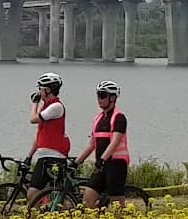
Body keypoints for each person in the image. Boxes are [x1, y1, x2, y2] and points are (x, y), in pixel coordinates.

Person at [74, 81, 129, 208]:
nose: (99, 99)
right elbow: (91, 145)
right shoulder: (98, 118)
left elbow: (115, 142)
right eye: (98, 95)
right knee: (88, 198)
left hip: (116, 164)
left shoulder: (119, 117)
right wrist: (76, 162)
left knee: (117, 205)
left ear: (113, 98)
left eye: (102, 95)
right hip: (102, 166)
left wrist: (102, 159)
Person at [25, 72, 71, 204]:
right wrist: (29, 156)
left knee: (34, 192)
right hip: (44, 155)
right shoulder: (47, 107)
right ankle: (48, 213)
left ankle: (49, 214)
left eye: (40, 89)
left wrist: (34, 103)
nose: (39, 92)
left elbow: (33, 119)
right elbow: (39, 134)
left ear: (48, 90)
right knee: (38, 192)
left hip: (53, 156)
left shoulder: (56, 107)